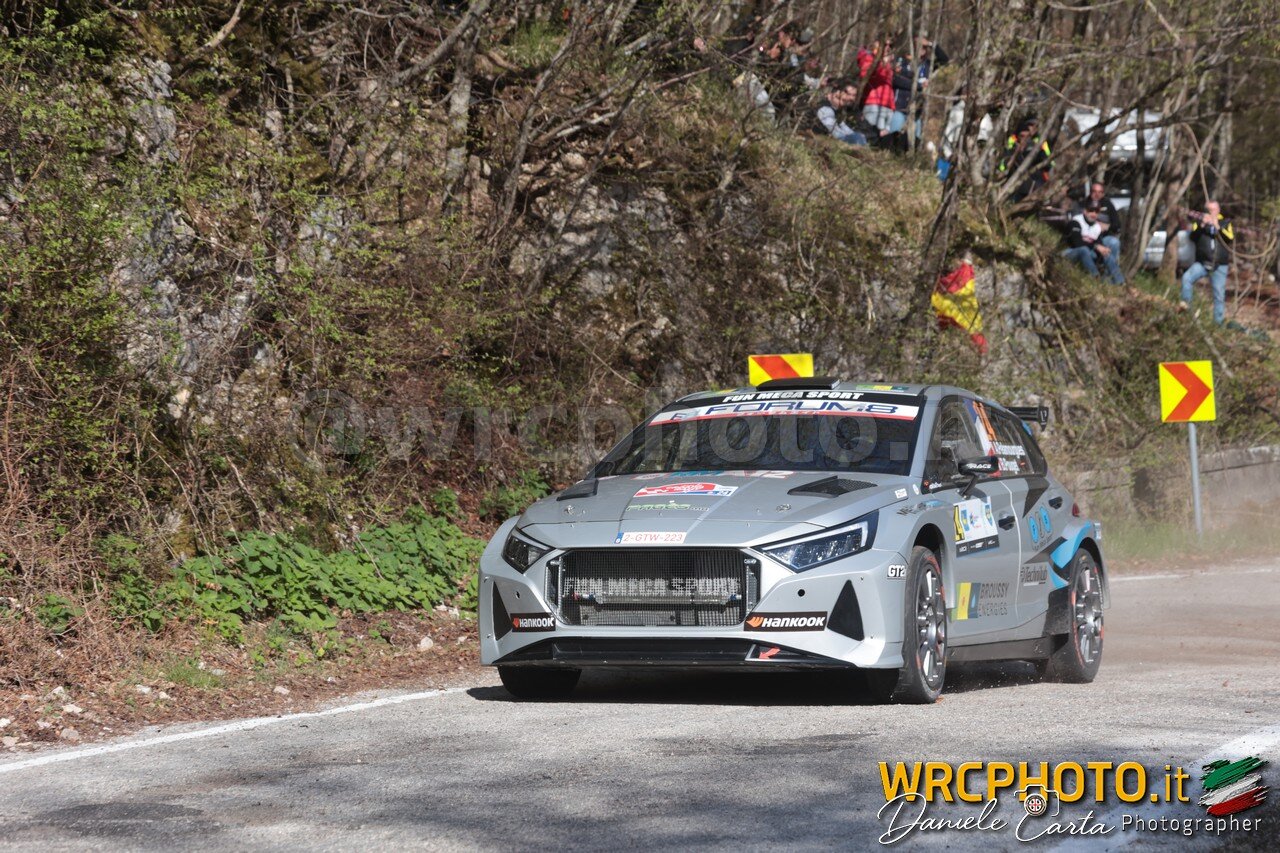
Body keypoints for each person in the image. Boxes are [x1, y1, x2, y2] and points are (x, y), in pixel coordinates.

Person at [1179, 202, 1234, 324]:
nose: (1211, 212)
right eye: (1209, 210)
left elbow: (1230, 238)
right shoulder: (1198, 222)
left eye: (1213, 210)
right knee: (1186, 279)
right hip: (1202, 262)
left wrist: (1217, 226)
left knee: (1219, 294)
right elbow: (1193, 237)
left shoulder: (1225, 222)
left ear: (1218, 210)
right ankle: (1186, 311)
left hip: (1220, 264)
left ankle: (1218, 323)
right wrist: (1203, 224)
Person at [933, 255, 988, 354]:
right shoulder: (969, 325)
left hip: (962, 276)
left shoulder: (975, 323)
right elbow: (945, 317)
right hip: (949, 284)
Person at [1063, 201, 1124, 284]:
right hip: (1068, 252)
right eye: (1091, 210)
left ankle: (1120, 282)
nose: (1093, 214)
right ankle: (1096, 278)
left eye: (1096, 211)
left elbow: (1099, 244)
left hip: (1087, 254)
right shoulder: (1075, 222)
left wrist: (1103, 250)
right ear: (1085, 211)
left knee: (1105, 254)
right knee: (1083, 250)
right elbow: (1077, 243)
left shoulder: (1096, 227)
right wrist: (1096, 246)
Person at [998, 118, 1053, 201]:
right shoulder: (1012, 146)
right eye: (1022, 136)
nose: (1025, 139)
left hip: (1033, 185)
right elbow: (1003, 165)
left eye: (1027, 136)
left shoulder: (1038, 145)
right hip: (1014, 185)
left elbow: (1047, 164)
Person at [856, 38, 896, 136]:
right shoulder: (868, 57)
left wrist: (892, 106)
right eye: (885, 44)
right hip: (873, 103)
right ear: (876, 44)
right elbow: (865, 73)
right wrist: (883, 64)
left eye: (890, 46)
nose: (887, 48)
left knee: (881, 139)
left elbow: (888, 85)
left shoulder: (888, 63)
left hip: (887, 106)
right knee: (869, 135)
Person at [813, 77, 867, 145]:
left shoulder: (838, 111)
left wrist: (859, 138)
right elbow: (838, 135)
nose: (851, 98)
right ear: (836, 92)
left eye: (854, 95)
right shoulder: (825, 110)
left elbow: (848, 131)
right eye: (848, 94)